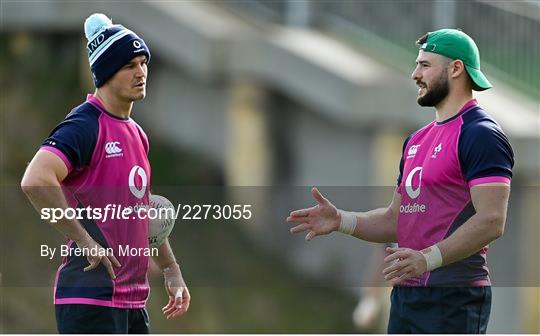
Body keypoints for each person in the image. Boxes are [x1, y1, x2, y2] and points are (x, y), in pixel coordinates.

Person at [287, 29, 514, 334]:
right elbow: (396, 220)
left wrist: (427, 259)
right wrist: (341, 219)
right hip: (407, 296)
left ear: (456, 69)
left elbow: (491, 221)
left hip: (453, 297)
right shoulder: (416, 141)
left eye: (425, 65)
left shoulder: (480, 133)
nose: (414, 74)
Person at [20, 13, 190, 333]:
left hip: (131, 302)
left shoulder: (137, 134)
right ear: (107, 72)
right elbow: (35, 179)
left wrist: (171, 269)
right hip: (89, 301)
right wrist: (84, 239)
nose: (141, 73)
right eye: (129, 66)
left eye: (143, 63)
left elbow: (142, 210)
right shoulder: (85, 125)